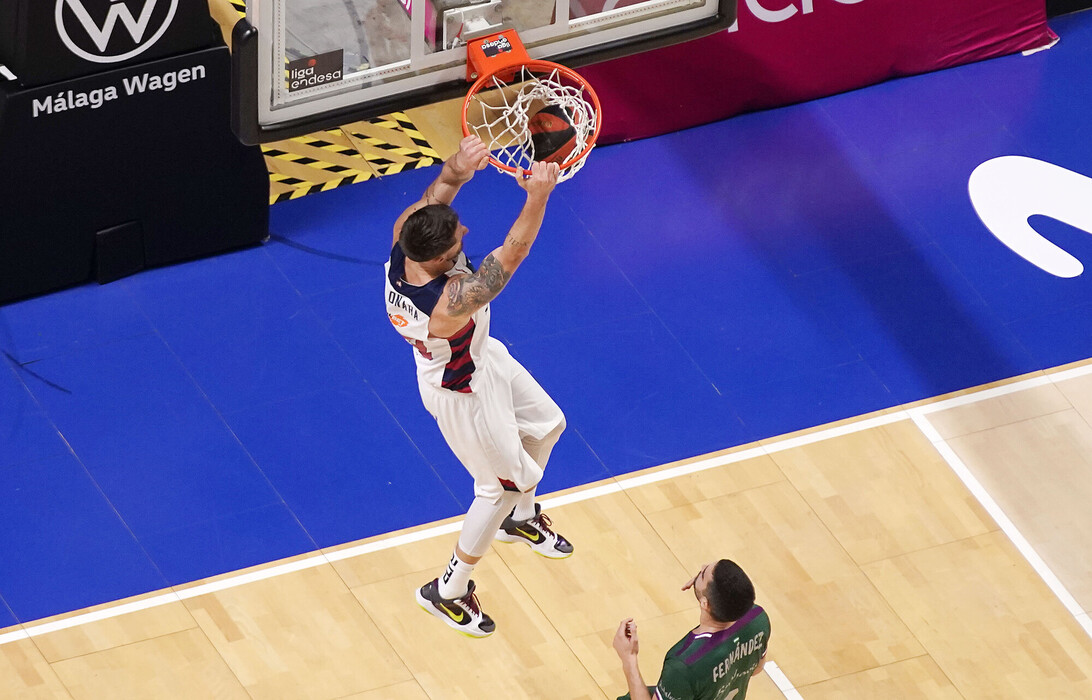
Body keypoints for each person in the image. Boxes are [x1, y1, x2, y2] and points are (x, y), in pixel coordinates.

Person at [385, 134, 573, 638]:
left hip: (483, 357)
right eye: (458, 242)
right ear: (442, 262)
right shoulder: (447, 304)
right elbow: (513, 253)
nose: (465, 230)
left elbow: (442, 187)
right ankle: (447, 589)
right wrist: (538, 195)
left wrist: (459, 166)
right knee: (497, 488)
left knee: (549, 423)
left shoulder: (409, 233)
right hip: (460, 390)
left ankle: (521, 517)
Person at [613, 560, 770, 700]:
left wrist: (629, 658)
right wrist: (704, 587)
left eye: (702, 573)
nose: (701, 567)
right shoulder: (758, 618)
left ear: (705, 604)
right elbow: (756, 668)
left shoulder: (684, 665)